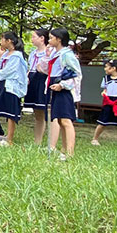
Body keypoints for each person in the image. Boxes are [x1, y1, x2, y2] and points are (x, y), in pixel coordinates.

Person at [47, 27, 82, 160]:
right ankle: (63, 149)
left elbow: (76, 74)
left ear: (59, 39)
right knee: (60, 120)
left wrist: (63, 85)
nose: (49, 40)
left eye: (51, 38)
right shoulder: (55, 54)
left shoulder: (67, 55)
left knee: (66, 120)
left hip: (64, 91)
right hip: (55, 88)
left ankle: (70, 152)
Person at [0, 32, 28, 146]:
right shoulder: (6, 54)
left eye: (2, 39)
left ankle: (9, 139)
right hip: (2, 84)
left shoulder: (17, 56)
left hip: (12, 86)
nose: (0, 42)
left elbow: (9, 71)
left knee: (10, 113)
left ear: (9, 41)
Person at [25, 28, 54, 145]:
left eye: (34, 37)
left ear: (42, 38)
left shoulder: (49, 52)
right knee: (36, 111)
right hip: (32, 78)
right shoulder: (33, 53)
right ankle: (37, 140)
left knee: (43, 109)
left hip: (42, 79)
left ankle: (45, 141)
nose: (32, 39)